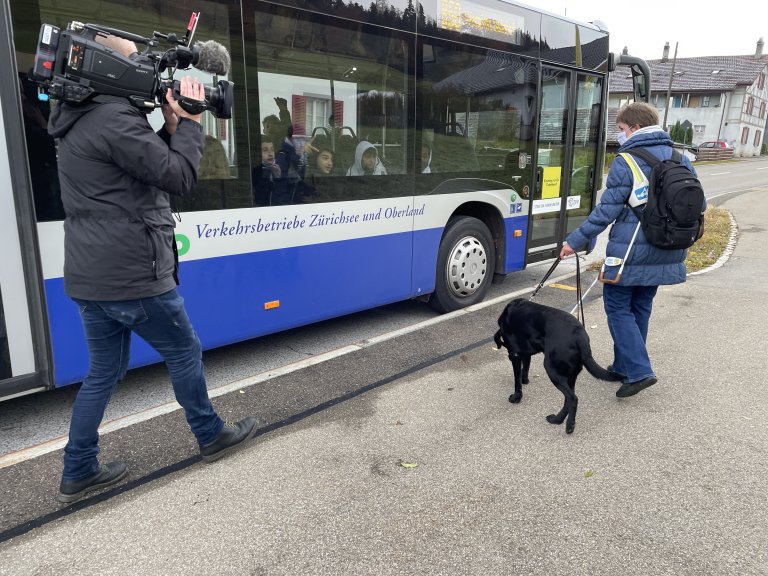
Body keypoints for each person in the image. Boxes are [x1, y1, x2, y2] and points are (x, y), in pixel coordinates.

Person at [47, 34, 256, 504]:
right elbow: (178, 177)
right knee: (184, 350)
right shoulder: (115, 119)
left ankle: (78, 468)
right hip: (132, 273)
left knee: (104, 372)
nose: (140, 70)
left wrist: (169, 126)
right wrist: (192, 124)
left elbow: (140, 166)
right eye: (131, 63)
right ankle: (210, 435)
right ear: (106, 71)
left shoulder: (81, 117)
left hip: (91, 275)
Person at [559, 102, 703, 399]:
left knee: (617, 306)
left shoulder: (627, 160)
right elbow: (697, 205)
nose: (620, 135)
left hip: (630, 251)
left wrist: (575, 240)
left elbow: (606, 210)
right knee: (640, 306)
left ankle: (639, 371)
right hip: (668, 247)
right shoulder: (681, 158)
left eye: (622, 129)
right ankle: (625, 365)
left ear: (635, 128)